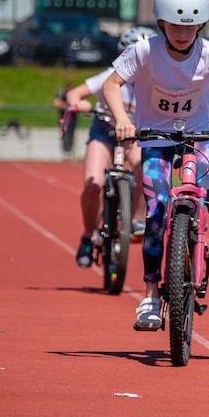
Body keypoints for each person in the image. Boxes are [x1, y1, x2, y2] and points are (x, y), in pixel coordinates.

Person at [104, 0, 209, 330]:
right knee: (157, 210)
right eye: (176, 24)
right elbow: (111, 84)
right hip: (154, 138)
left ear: (201, 25)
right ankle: (149, 296)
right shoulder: (145, 50)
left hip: (199, 135)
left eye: (190, 25)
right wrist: (121, 119)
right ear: (161, 22)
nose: (182, 32)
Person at [65, 25, 155, 268]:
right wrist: (79, 103)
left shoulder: (155, 82)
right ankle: (87, 235)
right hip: (104, 132)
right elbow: (75, 93)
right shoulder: (109, 76)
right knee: (93, 184)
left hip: (134, 137)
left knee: (143, 169)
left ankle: (136, 220)